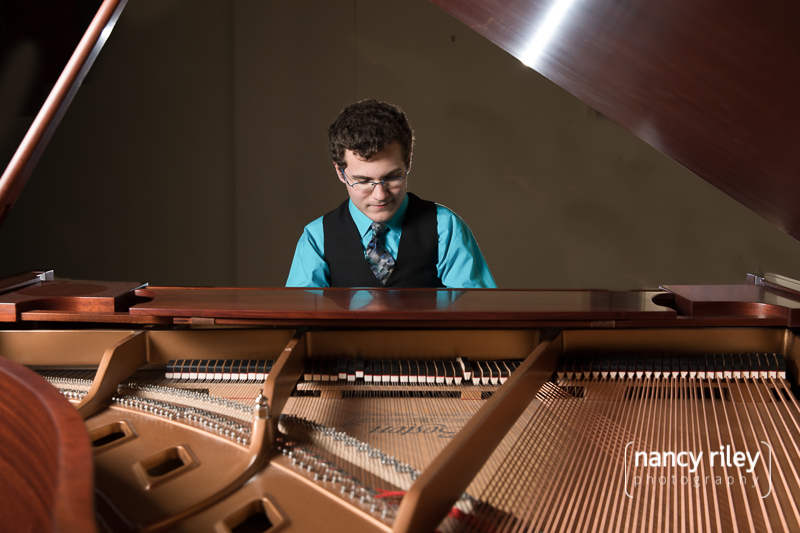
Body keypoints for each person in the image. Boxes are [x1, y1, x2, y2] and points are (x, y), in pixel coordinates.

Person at [286, 99, 496, 288]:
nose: (380, 195)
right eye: (363, 181)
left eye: (392, 177)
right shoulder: (316, 238)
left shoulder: (446, 228)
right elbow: (301, 323)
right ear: (341, 173)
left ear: (408, 163)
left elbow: (478, 317)